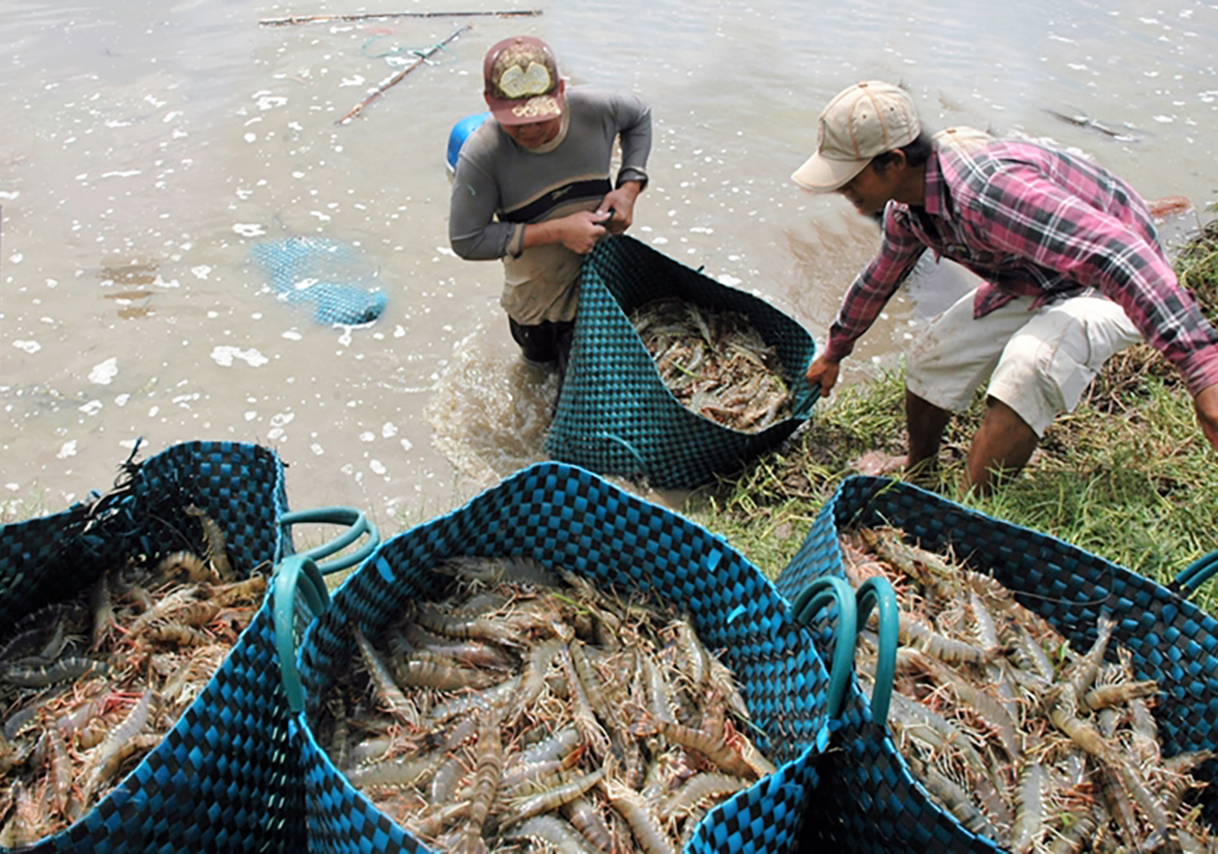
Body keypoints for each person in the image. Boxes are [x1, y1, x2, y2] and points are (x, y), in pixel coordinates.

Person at [794, 80, 1218, 495]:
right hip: (1037, 274)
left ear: (894, 162)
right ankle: (919, 470)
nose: (840, 187)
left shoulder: (989, 193)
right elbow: (879, 278)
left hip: (1116, 283)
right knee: (933, 355)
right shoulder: (908, 210)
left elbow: (1122, 256)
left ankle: (965, 519)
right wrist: (835, 351)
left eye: (850, 175)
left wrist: (1204, 376)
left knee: (1028, 365)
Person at [449, 35, 652, 376]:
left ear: (560, 90)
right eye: (516, 121)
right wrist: (558, 231)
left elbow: (640, 116)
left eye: (541, 117)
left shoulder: (595, 109)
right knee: (539, 379)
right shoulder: (482, 154)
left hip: (599, 280)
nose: (530, 129)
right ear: (488, 101)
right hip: (536, 303)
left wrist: (629, 188)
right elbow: (466, 240)